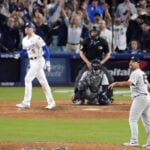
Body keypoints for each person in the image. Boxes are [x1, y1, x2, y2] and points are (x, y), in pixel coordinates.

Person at [108, 56, 150, 148]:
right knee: (147, 122)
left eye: (133, 62)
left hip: (140, 98)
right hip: (146, 97)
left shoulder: (135, 72)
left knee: (133, 119)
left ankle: (134, 141)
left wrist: (115, 83)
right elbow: (148, 87)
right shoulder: (142, 73)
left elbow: (129, 83)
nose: (130, 63)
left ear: (138, 63)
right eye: (130, 61)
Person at [14, 22, 56, 109]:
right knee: (43, 82)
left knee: (27, 79)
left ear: (33, 29)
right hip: (32, 61)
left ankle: (26, 102)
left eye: (28, 27)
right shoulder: (24, 39)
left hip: (39, 60)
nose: (26, 29)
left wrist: (48, 61)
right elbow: (25, 50)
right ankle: (51, 102)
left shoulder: (37, 38)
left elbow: (46, 49)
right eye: (26, 27)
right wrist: (19, 54)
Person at [73, 26, 114, 101]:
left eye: (94, 32)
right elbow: (81, 53)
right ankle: (77, 96)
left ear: (98, 32)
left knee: (110, 78)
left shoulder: (103, 41)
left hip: (99, 63)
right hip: (88, 62)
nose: (92, 33)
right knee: (79, 78)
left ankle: (109, 96)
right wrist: (87, 62)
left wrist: (101, 63)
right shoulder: (86, 41)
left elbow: (108, 54)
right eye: (91, 32)